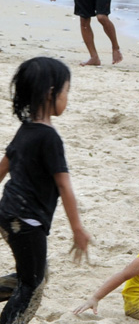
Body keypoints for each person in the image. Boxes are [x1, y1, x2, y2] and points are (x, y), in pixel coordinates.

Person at [0, 57, 91, 323]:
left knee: (35, 274)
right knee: (32, 286)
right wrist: (78, 229)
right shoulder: (49, 137)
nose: (67, 99)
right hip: (27, 222)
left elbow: (3, 166)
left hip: (8, 214)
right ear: (51, 94)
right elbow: (64, 185)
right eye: (66, 92)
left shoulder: (26, 129)